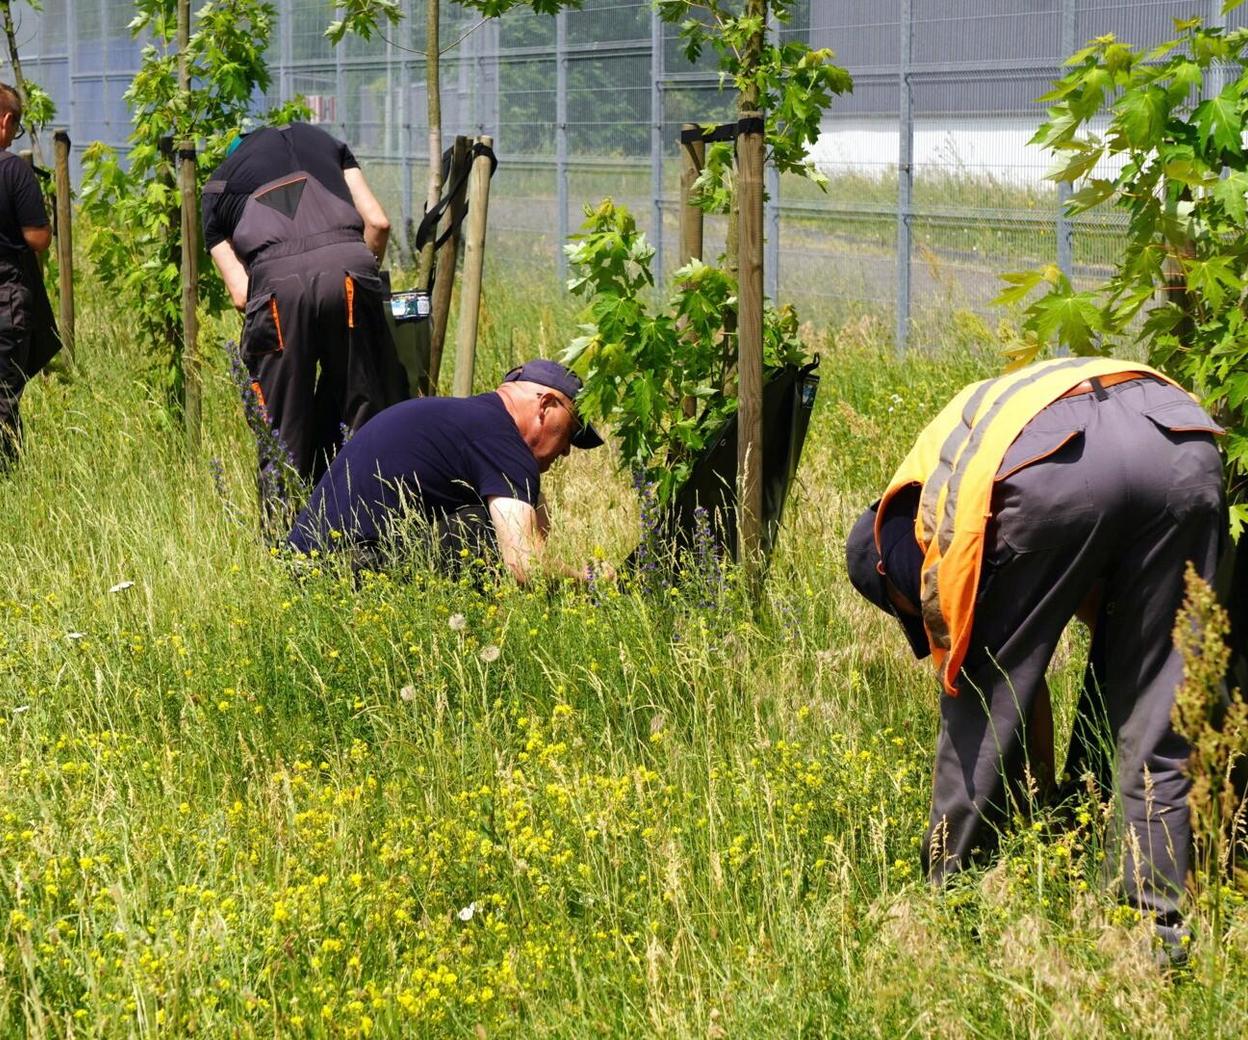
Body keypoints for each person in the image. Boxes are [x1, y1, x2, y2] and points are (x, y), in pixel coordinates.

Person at [845, 356, 1227, 959]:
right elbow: (1088, 633)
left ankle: (949, 918)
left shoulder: (933, 531)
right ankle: (1151, 938)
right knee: (1159, 705)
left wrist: (1036, 807)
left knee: (978, 694)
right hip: (1181, 440)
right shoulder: (948, 456)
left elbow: (995, 686)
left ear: (897, 580)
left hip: (1056, 462)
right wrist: (1052, 804)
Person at [202, 121, 408, 483]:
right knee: (365, 414)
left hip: (279, 293)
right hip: (350, 273)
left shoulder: (218, 186)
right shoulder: (328, 143)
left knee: (281, 433)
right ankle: (373, 528)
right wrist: (362, 281)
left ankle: (285, 535)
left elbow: (240, 293)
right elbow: (378, 223)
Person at [289, 359, 605, 583]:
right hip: (341, 571)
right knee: (486, 531)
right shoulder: (502, 440)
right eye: (570, 432)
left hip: (306, 566)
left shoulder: (468, 421)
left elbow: (535, 515)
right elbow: (524, 566)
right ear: (545, 405)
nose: (565, 450)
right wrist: (586, 581)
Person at [0, 83, 59, 469]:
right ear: (6, 121)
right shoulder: (13, 170)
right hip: (6, 298)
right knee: (4, 396)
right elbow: (38, 239)